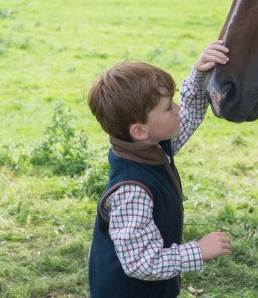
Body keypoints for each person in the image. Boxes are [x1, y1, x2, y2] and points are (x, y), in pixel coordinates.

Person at [87, 40, 232, 298]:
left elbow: (189, 114)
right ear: (140, 130)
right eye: (168, 108)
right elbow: (141, 262)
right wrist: (197, 251)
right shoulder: (132, 190)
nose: (177, 109)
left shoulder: (148, 147)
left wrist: (199, 74)